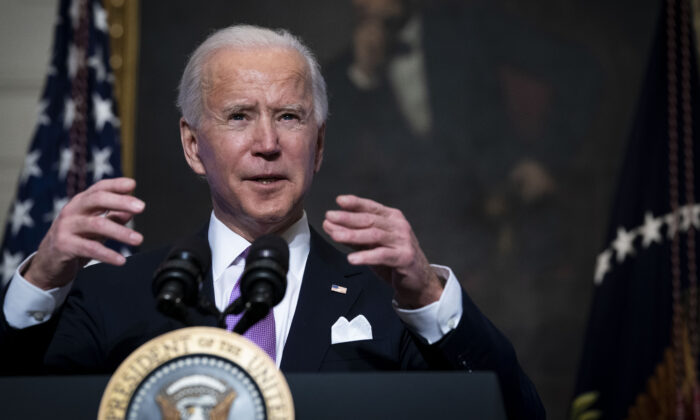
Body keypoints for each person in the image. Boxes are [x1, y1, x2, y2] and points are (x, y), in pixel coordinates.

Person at [0, 25, 544, 419]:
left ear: (319, 144)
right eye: (239, 116)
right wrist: (42, 278)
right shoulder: (114, 291)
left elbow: (514, 413)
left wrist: (427, 291)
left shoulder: (390, 301)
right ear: (193, 146)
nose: (267, 144)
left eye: (289, 117)